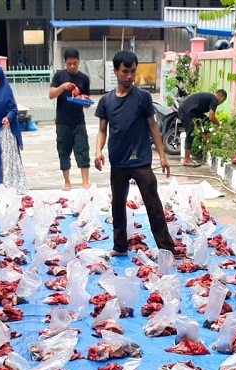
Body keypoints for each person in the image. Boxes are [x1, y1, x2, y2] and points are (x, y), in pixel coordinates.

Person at [94, 50, 175, 257]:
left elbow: (153, 126)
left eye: (132, 71)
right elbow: (102, 129)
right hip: (118, 162)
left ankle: (166, 248)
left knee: (153, 204)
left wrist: (163, 156)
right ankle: (120, 247)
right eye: (125, 71)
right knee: (117, 205)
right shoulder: (106, 101)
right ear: (115, 71)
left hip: (141, 161)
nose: (129, 76)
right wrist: (98, 151)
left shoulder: (143, 98)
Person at [49, 48, 92, 190]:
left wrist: (85, 102)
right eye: (69, 64)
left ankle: (85, 182)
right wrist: (63, 86)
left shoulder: (84, 79)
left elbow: (85, 100)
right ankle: (67, 182)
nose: (72, 66)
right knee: (63, 151)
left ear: (79, 61)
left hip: (79, 120)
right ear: (65, 62)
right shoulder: (59, 76)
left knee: (82, 150)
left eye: (74, 63)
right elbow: (51, 94)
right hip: (63, 121)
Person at [178, 88, 227, 166]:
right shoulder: (214, 99)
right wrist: (219, 126)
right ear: (221, 98)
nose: (220, 103)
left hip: (188, 111)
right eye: (222, 102)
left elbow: (198, 118)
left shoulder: (206, 101)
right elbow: (212, 117)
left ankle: (207, 140)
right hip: (185, 111)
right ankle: (186, 159)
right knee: (190, 131)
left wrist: (202, 132)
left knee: (206, 120)